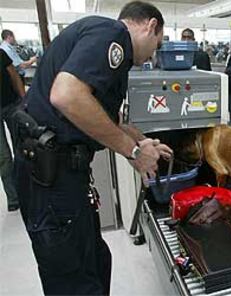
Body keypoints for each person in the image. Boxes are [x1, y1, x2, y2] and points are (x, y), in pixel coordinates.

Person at [14, 1, 173, 295]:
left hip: (63, 178)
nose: (155, 53)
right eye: (158, 43)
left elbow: (103, 119)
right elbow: (67, 96)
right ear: (150, 26)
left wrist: (141, 141)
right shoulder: (112, 34)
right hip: (51, 180)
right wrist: (134, 153)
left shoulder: (104, 43)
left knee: (97, 262)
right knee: (75, 281)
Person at [1, 48, 25, 212]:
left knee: (22, 147)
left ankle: (27, 189)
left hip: (11, 105)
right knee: (3, 157)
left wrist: (24, 98)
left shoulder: (1, 54)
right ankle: (13, 197)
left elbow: (14, 76)